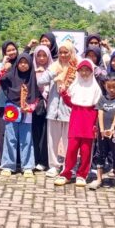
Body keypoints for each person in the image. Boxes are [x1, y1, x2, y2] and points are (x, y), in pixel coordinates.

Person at [54, 60, 100, 187]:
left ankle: (82, 175)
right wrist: (63, 93)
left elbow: (97, 108)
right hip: (75, 123)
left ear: (91, 72)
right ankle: (66, 174)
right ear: (78, 71)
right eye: (82, 70)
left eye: (87, 70)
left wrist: (96, 125)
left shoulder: (96, 88)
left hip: (89, 125)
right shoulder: (75, 85)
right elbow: (70, 103)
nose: (84, 73)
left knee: (86, 152)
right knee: (71, 150)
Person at [37, 40, 77, 178]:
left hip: (69, 110)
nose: (63, 55)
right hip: (53, 109)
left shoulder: (76, 68)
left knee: (69, 142)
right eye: (61, 52)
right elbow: (40, 81)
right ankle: (54, 166)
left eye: (66, 52)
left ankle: (68, 166)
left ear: (71, 53)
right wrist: (53, 73)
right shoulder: (54, 66)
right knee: (52, 141)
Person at [0, 53, 39, 177]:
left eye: (26, 62)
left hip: (27, 111)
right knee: (10, 138)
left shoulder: (33, 78)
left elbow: (37, 97)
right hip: (11, 110)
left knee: (26, 139)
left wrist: (30, 107)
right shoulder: (10, 75)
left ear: (30, 64)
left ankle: (27, 167)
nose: (23, 65)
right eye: (21, 62)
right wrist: (3, 68)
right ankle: (8, 165)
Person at [89, 72, 115, 191]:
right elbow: (100, 113)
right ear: (105, 85)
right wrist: (101, 129)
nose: (111, 89)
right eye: (108, 87)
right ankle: (99, 179)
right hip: (102, 132)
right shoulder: (102, 98)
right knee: (100, 154)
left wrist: (112, 128)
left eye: (114, 87)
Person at [0, 41, 18, 166]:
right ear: (4, 53)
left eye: (13, 49)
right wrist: (4, 65)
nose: (11, 52)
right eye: (8, 50)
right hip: (2, 104)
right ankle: (1, 160)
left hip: (17, 104)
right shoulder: (0, 65)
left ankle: (15, 160)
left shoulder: (21, 64)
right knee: (3, 133)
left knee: (15, 133)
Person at [32, 45, 52, 171]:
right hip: (34, 105)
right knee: (34, 133)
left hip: (48, 105)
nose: (41, 58)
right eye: (39, 55)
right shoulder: (31, 69)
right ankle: (34, 159)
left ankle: (45, 160)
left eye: (44, 55)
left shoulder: (53, 69)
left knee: (46, 134)